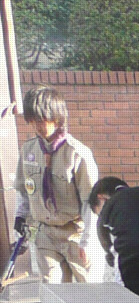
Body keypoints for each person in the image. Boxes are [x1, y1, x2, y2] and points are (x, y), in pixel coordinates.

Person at [14, 86, 98, 282]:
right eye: (32, 120)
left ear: (57, 118)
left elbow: (90, 203)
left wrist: (87, 241)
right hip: (45, 234)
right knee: (53, 291)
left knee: (90, 291)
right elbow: (25, 190)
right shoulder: (28, 150)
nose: (36, 126)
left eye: (41, 120)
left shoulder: (77, 154)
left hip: (74, 233)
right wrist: (20, 218)